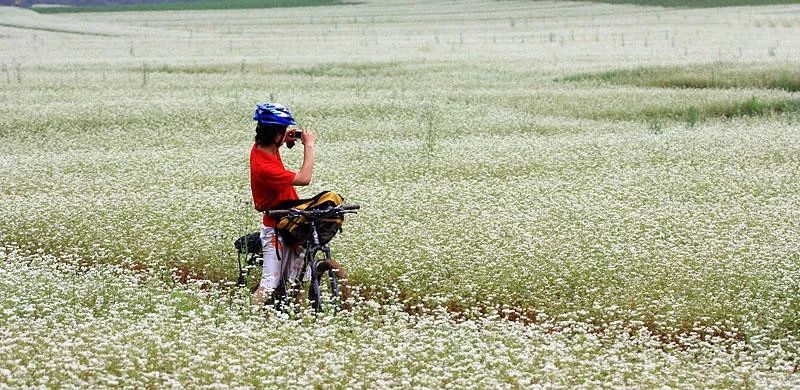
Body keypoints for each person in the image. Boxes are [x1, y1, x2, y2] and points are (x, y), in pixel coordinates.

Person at [249, 102, 316, 307]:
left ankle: (289, 311)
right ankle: (249, 317)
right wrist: (309, 145)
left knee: (292, 281)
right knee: (269, 284)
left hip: (289, 217)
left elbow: (273, 144)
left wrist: (285, 140)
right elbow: (304, 179)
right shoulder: (264, 166)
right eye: (282, 130)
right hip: (275, 226)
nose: (285, 133)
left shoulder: (263, 148)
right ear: (274, 134)